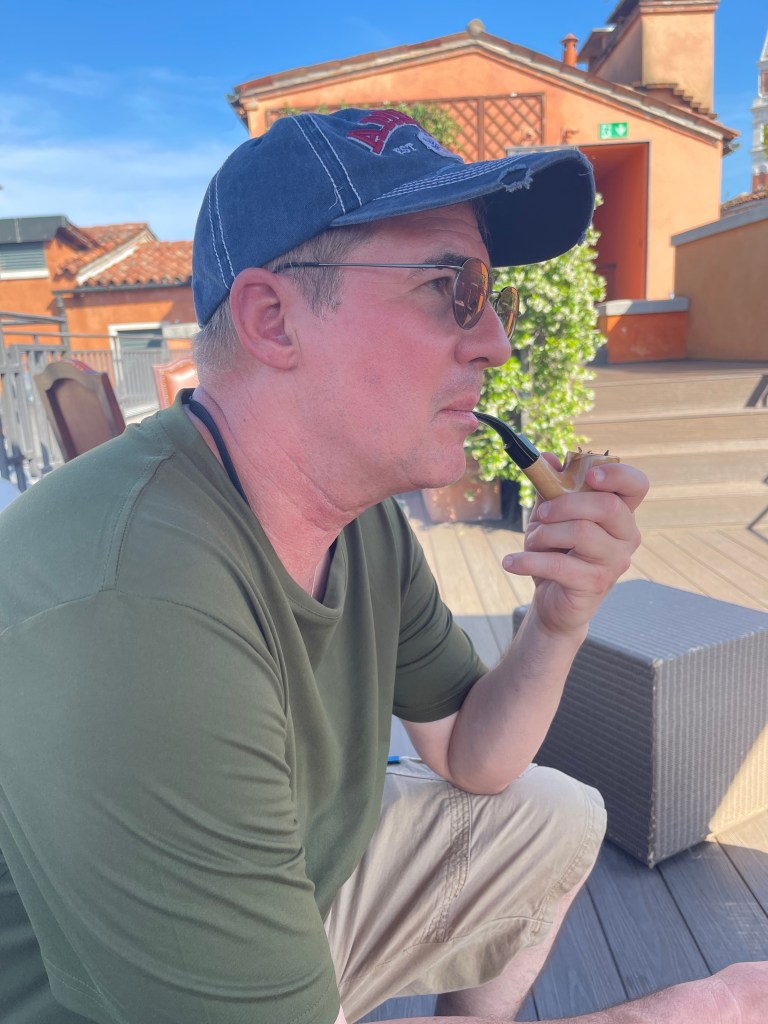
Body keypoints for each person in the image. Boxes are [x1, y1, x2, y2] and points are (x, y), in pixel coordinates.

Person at [0, 108, 763, 1024]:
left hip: (299, 887)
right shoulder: (136, 613)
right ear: (274, 320)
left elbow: (474, 756)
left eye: (492, 296)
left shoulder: (358, 516)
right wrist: (712, 1007)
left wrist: (562, 615)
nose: (496, 342)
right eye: (451, 288)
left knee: (553, 813)